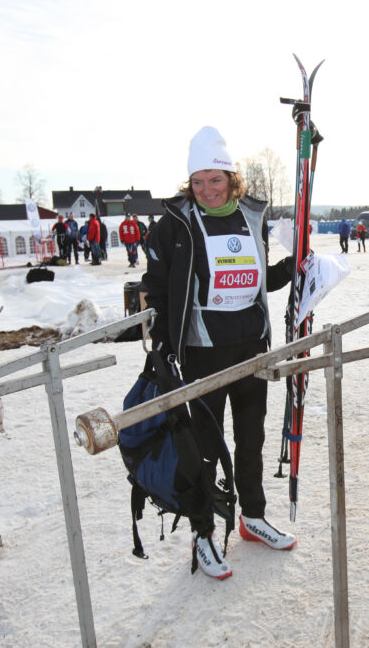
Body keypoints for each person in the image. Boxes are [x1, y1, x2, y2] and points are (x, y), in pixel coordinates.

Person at [142, 125, 297, 580]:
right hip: (201, 352)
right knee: (204, 449)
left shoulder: (251, 218)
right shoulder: (174, 225)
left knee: (251, 441)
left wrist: (293, 266)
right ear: (188, 183)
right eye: (198, 181)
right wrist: (165, 349)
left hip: (251, 347)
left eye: (216, 179)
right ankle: (204, 532)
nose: (208, 189)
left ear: (233, 177)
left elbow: (257, 280)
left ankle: (252, 518)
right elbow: (157, 289)